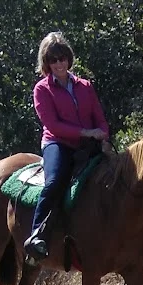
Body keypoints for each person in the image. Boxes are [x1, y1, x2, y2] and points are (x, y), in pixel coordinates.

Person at [24, 32, 112, 265]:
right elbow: (52, 125)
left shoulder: (85, 86)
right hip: (57, 143)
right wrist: (86, 132)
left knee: (121, 176)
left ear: (69, 59)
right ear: (47, 63)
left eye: (63, 58)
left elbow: (99, 118)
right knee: (54, 182)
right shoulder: (42, 89)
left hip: (89, 143)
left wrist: (103, 133)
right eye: (53, 60)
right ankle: (37, 235)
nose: (59, 63)